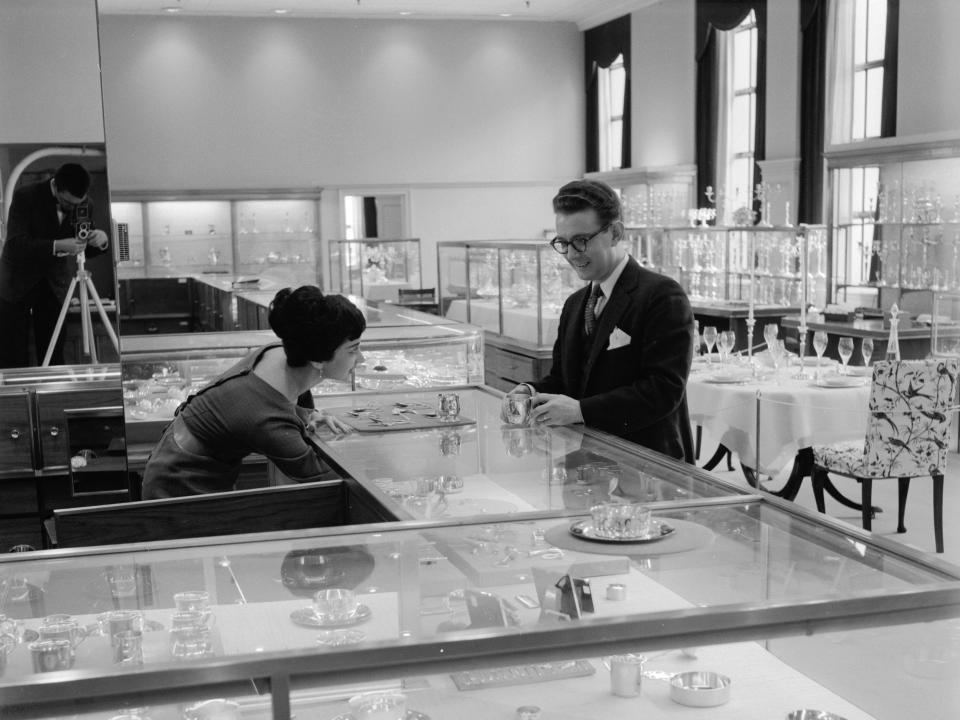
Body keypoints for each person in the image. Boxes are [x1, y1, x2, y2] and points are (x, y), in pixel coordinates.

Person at [505, 179, 696, 462]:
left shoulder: (662, 295)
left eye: (581, 240)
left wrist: (581, 411)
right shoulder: (574, 305)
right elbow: (563, 380)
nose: (571, 254)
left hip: (648, 467)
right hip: (585, 462)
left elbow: (663, 390)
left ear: (615, 233)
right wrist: (530, 392)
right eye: (563, 243)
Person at [141, 286, 366, 499]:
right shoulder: (265, 416)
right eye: (353, 349)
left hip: (186, 460)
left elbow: (276, 404)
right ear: (318, 359)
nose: (362, 358)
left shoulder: (279, 354)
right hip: (177, 482)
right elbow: (317, 472)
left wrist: (306, 415)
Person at [0, 162, 110, 368]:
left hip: (54, 284)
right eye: (68, 203)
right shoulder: (26, 196)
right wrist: (56, 245)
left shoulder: (84, 204)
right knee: (12, 352)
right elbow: (15, 244)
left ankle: (54, 394)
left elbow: (84, 244)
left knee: (54, 352)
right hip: (17, 282)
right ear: (56, 187)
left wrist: (101, 240)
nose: (73, 208)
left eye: (79, 203)